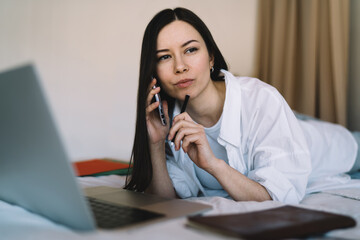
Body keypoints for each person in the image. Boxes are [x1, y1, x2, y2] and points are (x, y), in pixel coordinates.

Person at [124, 7, 360, 204]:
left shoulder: (261, 100)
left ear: (211, 57)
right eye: (165, 57)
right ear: (153, 70)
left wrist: (214, 165)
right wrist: (155, 143)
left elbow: (275, 200)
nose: (180, 66)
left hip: (319, 142)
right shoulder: (166, 121)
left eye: (191, 50)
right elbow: (164, 202)